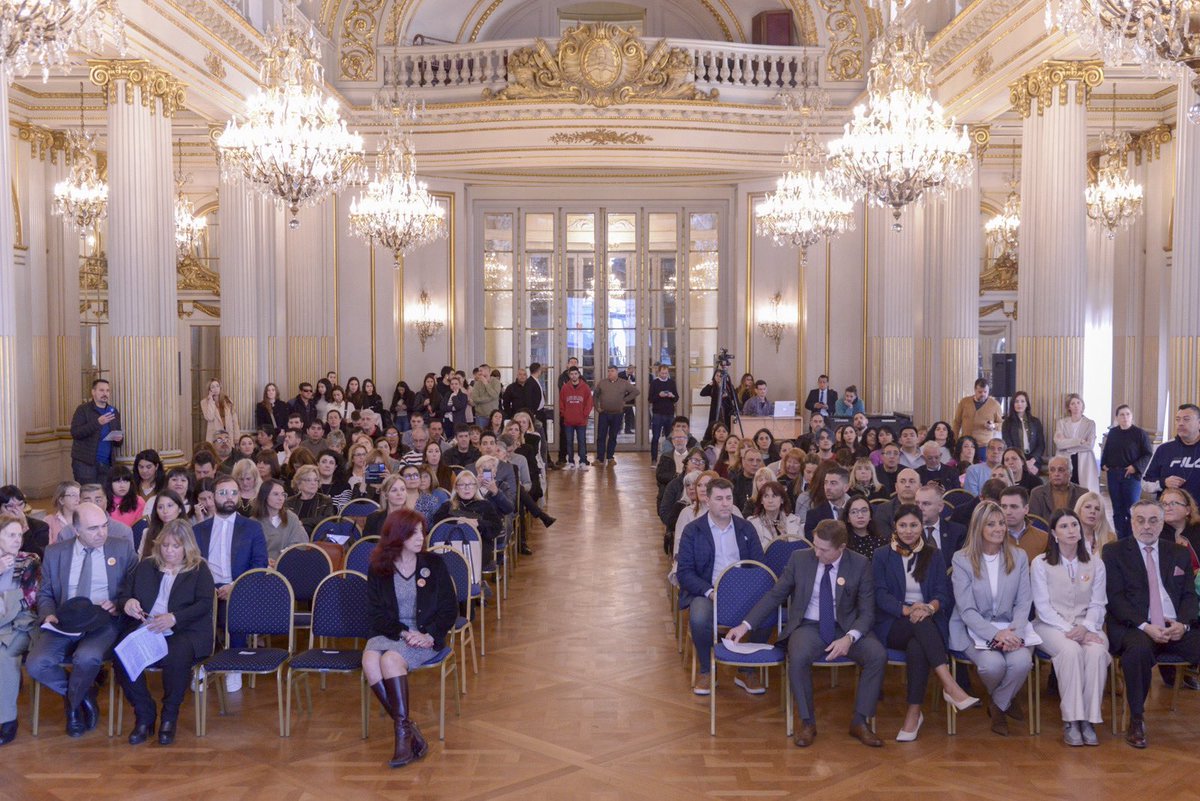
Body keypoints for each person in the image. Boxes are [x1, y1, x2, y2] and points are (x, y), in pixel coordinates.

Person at [727, 519, 886, 748]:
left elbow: (868, 612)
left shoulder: (859, 564)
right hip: (809, 626)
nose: (817, 552)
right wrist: (745, 625)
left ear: (841, 548)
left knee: (877, 655)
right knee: (798, 656)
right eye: (815, 545)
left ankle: (860, 721)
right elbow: (775, 595)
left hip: (846, 627)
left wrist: (850, 637)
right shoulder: (800, 559)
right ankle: (807, 722)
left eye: (823, 549)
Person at [27, 502, 138, 737]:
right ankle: (83, 696)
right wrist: (48, 613)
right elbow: (45, 593)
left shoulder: (122, 549)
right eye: (93, 528)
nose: (102, 533)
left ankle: (73, 710)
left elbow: (134, 589)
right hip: (64, 620)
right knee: (36, 663)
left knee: (87, 658)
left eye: (104, 526)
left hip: (104, 620)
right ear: (77, 530)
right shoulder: (56, 553)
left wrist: (118, 603)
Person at [872, 504, 980, 740]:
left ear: (922, 526)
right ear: (895, 527)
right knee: (918, 625)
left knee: (918, 645)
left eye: (913, 525)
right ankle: (949, 685)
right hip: (893, 622)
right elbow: (880, 595)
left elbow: (943, 593)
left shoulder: (934, 554)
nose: (908, 531)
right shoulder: (882, 555)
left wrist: (929, 608)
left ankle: (914, 714)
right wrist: (909, 609)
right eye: (903, 525)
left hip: (927, 620)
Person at [1102, 499, 1200, 748]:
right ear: (1132, 522)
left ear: (1161, 522)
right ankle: (1136, 719)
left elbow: (1189, 595)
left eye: (1153, 520)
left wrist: (1184, 625)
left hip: (1174, 625)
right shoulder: (1114, 552)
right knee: (1137, 651)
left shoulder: (1177, 552)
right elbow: (1115, 599)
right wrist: (1146, 626)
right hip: (1136, 626)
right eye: (1140, 520)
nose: (1147, 526)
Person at [363, 509, 457, 768]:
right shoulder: (379, 567)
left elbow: (450, 609)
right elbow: (376, 615)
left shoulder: (434, 564)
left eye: (422, 532)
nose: (421, 537)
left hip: (425, 634)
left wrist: (429, 635)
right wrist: (404, 633)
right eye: (414, 533)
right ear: (397, 535)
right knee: (371, 661)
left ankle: (402, 739)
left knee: (391, 661)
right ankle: (409, 730)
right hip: (391, 631)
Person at [115, 519, 214, 746]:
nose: (169, 551)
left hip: (185, 630)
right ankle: (144, 712)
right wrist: (128, 602)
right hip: (148, 629)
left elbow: (204, 604)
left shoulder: (199, 569)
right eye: (165, 545)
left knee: (175, 657)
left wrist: (174, 618)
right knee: (122, 656)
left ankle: (169, 716)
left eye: (176, 546)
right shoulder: (146, 566)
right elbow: (124, 596)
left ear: (187, 547)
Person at [675, 479, 769, 697]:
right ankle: (708, 670)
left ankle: (746, 669)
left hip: (743, 591)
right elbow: (685, 572)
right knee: (698, 617)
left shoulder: (746, 528)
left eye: (729, 498)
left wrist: (746, 591)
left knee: (767, 613)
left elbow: (759, 565)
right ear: (707, 500)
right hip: (707, 591)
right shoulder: (693, 531)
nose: (725, 504)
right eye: (719, 499)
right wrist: (710, 592)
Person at [949, 500, 1034, 736]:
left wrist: (1014, 632)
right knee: (992, 666)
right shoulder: (962, 559)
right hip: (972, 628)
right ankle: (1007, 698)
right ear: (978, 528)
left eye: (1001, 523)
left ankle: (998, 703)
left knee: (1022, 663)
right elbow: (966, 610)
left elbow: (1023, 602)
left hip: (1011, 627)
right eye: (991, 524)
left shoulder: (1019, 556)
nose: (999, 529)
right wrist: (996, 634)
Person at [1031, 509, 1110, 746]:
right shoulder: (1040, 563)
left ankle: (1089, 719)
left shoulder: (1095, 563)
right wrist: (1070, 630)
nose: (1071, 530)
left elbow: (1099, 603)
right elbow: (1042, 607)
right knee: (1071, 651)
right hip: (1050, 626)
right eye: (1064, 526)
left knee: (1097, 652)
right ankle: (1072, 720)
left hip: (1089, 624)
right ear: (1054, 533)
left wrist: (1085, 628)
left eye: (1074, 525)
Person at [193, 475, 268, 694]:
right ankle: (201, 665)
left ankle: (234, 665)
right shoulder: (199, 530)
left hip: (239, 587)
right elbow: (190, 565)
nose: (229, 498)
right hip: (206, 588)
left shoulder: (252, 528)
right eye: (223, 493)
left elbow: (259, 565)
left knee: (232, 611)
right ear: (212, 497)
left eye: (233, 493)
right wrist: (208, 587)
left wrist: (235, 585)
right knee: (192, 612)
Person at [0, 514, 40, 745]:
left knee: (4, 656)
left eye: (19, 535)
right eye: (10, 535)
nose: (17, 540)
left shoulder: (29, 560)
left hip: (20, 625)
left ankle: (7, 720)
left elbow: (26, 601)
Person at [430, 471, 513, 571]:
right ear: (456, 488)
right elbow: (437, 522)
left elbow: (496, 527)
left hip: (479, 544)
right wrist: (457, 521)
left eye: (471, 484)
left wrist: (478, 523)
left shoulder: (485, 505)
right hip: (452, 544)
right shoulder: (448, 505)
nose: (467, 488)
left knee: (472, 560)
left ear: (476, 487)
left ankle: (475, 584)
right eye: (462, 485)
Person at [1099, 405, 1153, 542]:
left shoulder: (1139, 433)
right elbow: (1107, 450)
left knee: (1132, 509)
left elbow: (1147, 454)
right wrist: (1103, 463)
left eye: (1127, 414)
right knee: (1117, 509)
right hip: (1114, 474)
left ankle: (1132, 538)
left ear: (1132, 416)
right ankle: (1121, 538)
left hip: (1131, 475)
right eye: (1122, 415)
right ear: (1117, 418)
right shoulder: (1113, 433)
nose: (1125, 417)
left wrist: (1135, 467)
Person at [1143, 403, 1200, 502]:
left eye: (1186, 419)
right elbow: (1145, 482)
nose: (1181, 423)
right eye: (1178, 419)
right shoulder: (1164, 449)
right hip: (1169, 513)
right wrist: (1163, 482)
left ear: (1198, 423)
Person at [70, 378, 123, 484]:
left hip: (107, 463)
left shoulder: (113, 411)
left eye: (107, 391)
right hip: (85, 463)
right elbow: (75, 433)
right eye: (101, 390)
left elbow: (118, 441)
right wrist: (98, 423)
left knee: (104, 496)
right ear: (93, 392)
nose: (105, 394)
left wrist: (119, 439)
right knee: (88, 495)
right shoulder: (83, 410)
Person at [592, 365, 638, 466]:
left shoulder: (624, 383)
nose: (610, 373)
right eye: (608, 371)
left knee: (613, 436)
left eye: (612, 371)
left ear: (617, 372)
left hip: (617, 414)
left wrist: (624, 400)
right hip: (604, 414)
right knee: (601, 437)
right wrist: (597, 407)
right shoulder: (602, 383)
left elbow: (635, 392)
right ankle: (600, 458)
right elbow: (595, 395)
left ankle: (610, 457)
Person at [253, 480, 308, 565]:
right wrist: (265, 560)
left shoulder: (291, 517)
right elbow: (251, 551)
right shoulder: (254, 522)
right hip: (263, 568)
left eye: (283, 494)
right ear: (265, 496)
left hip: (289, 566)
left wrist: (283, 559)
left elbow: (301, 545)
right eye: (275, 494)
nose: (280, 498)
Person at [1054, 393, 1099, 493]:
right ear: (1068, 407)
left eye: (1078, 403)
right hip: (1066, 459)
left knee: (1083, 493)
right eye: (1072, 403)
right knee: (1067, 491)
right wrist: (1079, 441)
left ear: (1082, 405)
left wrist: (1067, 444)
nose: (1076, 406)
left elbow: (1089, 445)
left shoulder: (1090, 423)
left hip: (1084, 461)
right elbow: (1059, 444)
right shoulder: (1061, 423)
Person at [997, 485, 1049, 563]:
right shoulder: (991, 537)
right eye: (1004, 507)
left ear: (1026, 509)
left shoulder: (1044, 539)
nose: (1008, 512)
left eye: (1013, 507)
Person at [747, 481, 804, 550]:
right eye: (766, 496)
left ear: (782, 500)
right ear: (761, 501)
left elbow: (802, 549)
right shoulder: (753, 523)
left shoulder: (794, 521)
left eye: (774, 496)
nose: (770, 500)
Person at [1030, 455, 1088, 521]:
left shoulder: (1082, 493)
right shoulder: (1037, 493)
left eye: (1061, 470)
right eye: (1052, 470)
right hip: (1045, 531)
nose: (1056, 474)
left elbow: (1085, 521)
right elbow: (1034, 522)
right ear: (1049, 474)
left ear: (1070, 473)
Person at [1002, 391, 1046, 474]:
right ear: (1013, 404)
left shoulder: (1035, 422)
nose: (1019, 404)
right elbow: (1008, 445)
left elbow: (1041, 445)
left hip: (1033, 459)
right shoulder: (1007, 423)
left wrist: (1032, 461)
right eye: (1016, 401)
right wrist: (1022, 461)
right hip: (1015, 458)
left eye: (1022, 401)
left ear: (1027, 404)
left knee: (1032, 476)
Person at [0, 486, 50, 559]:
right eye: (10, 506)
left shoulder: (40, 527)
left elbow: (40, 557)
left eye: (20, 504)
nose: (16, 510)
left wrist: (25, 529)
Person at [915, 483, 966, 554]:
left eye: (926, 504)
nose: (919, 508)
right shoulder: (906, 532)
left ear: (940, 507)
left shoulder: (957, 532)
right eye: (917, 503)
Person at [559, 366, 593, 469]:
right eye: (571, 374)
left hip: (581, 421)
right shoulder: (565, 387)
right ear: (569, 375)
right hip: (568, 421)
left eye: (575, 374)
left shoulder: (585, 387)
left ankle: (582, 461)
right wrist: (564, 414)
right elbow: (561, 402)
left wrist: (585, 414)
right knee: (569, 442)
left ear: (579, 374)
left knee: (581, 441)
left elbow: (589, 402)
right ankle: (571, 462)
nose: (574, 376)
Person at [952, 378, 1003, 446]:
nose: (983, 394)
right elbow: (957, 422)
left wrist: (993, 426)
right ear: (975, 390)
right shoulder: (964, 402)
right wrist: (954, 440)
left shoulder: (995, 405)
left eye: (985, 392)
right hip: (966, 443)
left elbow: (1002, 424)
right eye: (980, 392)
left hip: (984, 444)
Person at [137, 490, 186, 559]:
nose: (165, 511)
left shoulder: (189, 533)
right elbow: (141, 560)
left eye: (170, 506)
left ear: (180, 509)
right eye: (160, 507)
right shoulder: (148, 532)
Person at [804, 466, 851, 537]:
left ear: (846, 487)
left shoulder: (854, 511)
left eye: (833, 483)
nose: (827, 487)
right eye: (825, 483)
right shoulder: (814, 515)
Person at [648, 364, 679, 463]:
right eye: (662, 373)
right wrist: (659, 395)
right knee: (656, 437)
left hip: (669, 413)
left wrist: (672, 395)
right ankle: (654, 458)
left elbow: (676, 398)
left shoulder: (671, 383)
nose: (664, 375)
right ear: (658, 372)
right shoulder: (654, 383)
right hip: (658, 414)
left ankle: (669, 458)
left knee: (669, 437)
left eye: (666, 373)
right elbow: (650, 399)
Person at [1160, 487, 1200, 556]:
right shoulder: (1156, 532)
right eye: (1164, 504)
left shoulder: (1197, 529)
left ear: (1187, 510)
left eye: (1173, 503)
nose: (1167, 508)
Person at [45, 481, 81, 547]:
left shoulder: (86, 519)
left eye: (80, 495)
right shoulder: (49, 521)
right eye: (73, 495)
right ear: (61, 500)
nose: (78, 499)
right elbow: (48, 547)